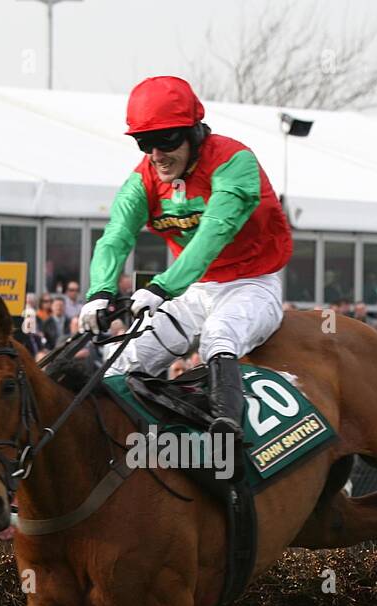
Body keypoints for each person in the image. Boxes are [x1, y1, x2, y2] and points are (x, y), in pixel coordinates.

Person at [79, 76, 293, 476]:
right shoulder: (143, 178)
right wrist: (100, 292)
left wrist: (162, 286)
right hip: (195, 290)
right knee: (124, 357)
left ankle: (226, 438)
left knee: (219, 336)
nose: (157, 154)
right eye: (146, 143)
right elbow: (116, 236)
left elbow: (213, 233)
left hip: (251, 284)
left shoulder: (234, 162)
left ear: (195, 131)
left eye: (167, 139)